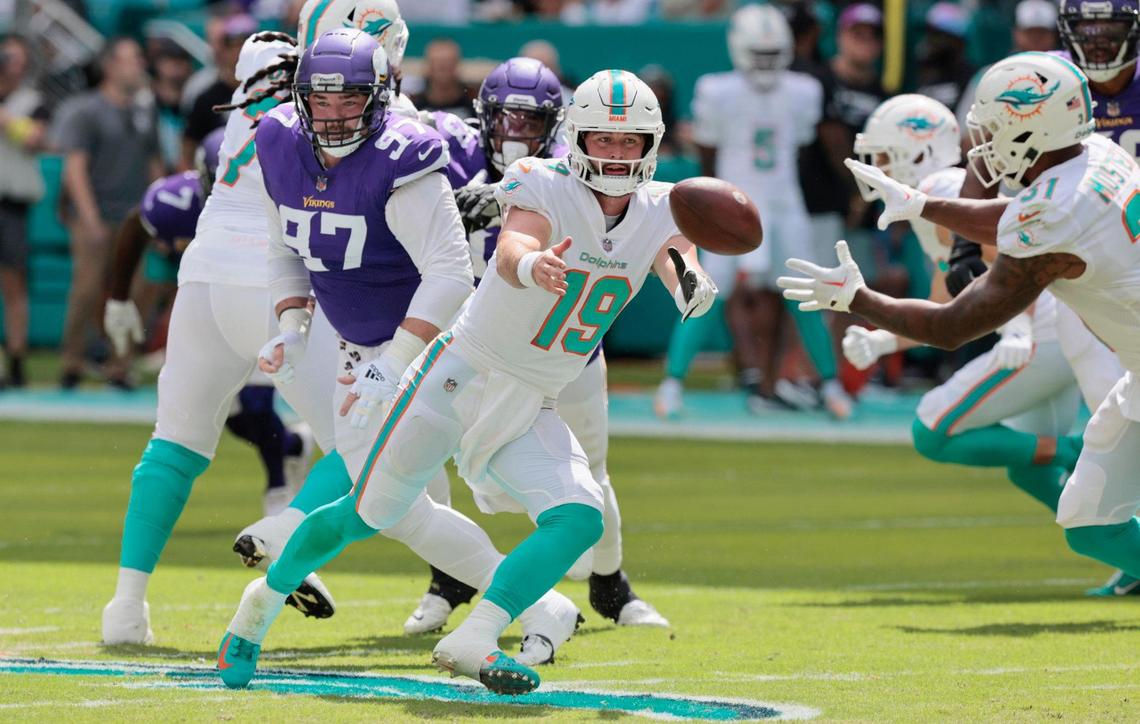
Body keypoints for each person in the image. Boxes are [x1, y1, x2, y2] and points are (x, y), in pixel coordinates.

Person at [215, 61, 716, 695]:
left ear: (651, 144)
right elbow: (514, 247)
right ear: (580, 139)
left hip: (532, 398)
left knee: (581, 515)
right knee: (366, 514)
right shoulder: (544, 182)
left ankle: (474, 638)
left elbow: (679, 256)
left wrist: (691, 285)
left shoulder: (666, 206)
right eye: (603, 140)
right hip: (459, 375)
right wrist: (532, 266)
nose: (616, 154)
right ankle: (255, 612)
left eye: (630, 142)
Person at [778, 52, 1140, 606]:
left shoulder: (1056, 216)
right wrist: (925, 203)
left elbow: (952, 327)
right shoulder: (1097, 153)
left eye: (995, 127)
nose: (984, 145)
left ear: (1033, 126)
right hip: (1129, 366)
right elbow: (1011, 216)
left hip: (1087, 342)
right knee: (1088, 519)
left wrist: (859, 299)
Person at [402, 57, 671, 636]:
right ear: (483, 116)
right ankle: (447, 581)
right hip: (476, 347)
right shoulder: (449, 151)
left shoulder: (563, 175)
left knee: (589, 472)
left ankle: (609, 584)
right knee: (414, 459)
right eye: (505, 117)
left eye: (531, 120)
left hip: (564, 351)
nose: (516, 131)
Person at [100, 31, 342, 646]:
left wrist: (117, 299)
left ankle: (126, 607)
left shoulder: (230, 126)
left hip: (203, 278)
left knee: (173, 444)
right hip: (272, 282)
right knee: (365, 449)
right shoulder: (311, 111)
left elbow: (136, 223)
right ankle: (282, 544)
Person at [844, 93, 1114, 544]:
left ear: (920, 151)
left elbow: (1010, 253)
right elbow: (944, 305)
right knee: (1028, 470)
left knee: (932, 428)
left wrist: (1018, 327)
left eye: (885, 156)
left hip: (1040, 333)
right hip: (1051, 334)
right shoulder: (931, 199)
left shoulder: (942, 190)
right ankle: (1124, 550)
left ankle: (1084, 451)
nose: (878, 168)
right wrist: (885, 341)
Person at [104, 128, 316, 519]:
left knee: (255, 401)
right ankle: (291, 448)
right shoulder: (180, 201)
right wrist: (118, 299)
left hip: (274, 297)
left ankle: (278, 489)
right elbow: (137, 224)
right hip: (214, 304)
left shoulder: (294, 199)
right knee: (233, 417)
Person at [654, 4, 851, 419]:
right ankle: (672, 383)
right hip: (736, 202)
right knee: (704, 292)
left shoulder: (801, 90)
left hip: (784, 204)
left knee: (805, 295)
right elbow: (710, 152)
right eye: (757, 55)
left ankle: (830, 383)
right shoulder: (719, 90)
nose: (764, 65)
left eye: (770, 55)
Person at [51, 36, 163, 389]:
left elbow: (154, 165)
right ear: (110, 66)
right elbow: (75, 168)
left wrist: (158, 213)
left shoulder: (145, 111)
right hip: (96, 213)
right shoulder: (87, 110)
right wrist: (89, 218)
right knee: (86, 288)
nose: (139, 66)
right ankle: (71, 361)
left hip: (134, 217)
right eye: (131, 59)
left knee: (134, 290)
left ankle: (119, 365)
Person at [0, 34, 49, 388]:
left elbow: (34, 138)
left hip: (12, 200)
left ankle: (16, 360)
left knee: (14, 282)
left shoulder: (31, 101)